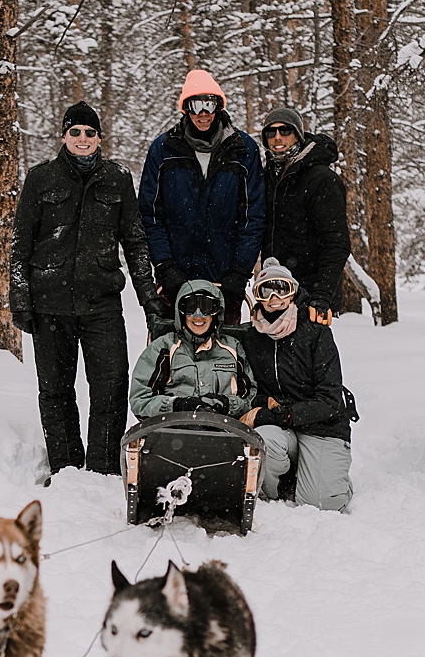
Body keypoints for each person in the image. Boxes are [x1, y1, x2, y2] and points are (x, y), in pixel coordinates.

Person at [9, 101, 165, 477]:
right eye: (75, 132)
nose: (82, 139)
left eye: (89, 133)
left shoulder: (117, 179)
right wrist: (20, 297)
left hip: (102, 303)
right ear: (64, 136)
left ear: (99, 138)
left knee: (111, 387)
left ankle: (102, 468)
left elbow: (136, 242)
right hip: (50, 303)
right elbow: (21, 243)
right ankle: (65, 468)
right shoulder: (41, 178)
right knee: (56, 391)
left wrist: (150, 300)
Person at [138, 68, 265, 327]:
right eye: (196, 105)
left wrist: (240, 271)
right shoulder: (163, 150)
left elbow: (254, 216)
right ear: (186, 108)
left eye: (210, 104)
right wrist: (165, 265)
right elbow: (150, 215)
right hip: (176, 278)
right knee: (172, 354)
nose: (203, 113)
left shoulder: (243, 150)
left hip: (225, 277)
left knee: (225, 355)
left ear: (219, 106)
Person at [241, 258, 353, 511]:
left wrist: (284, 414)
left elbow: (330, 399)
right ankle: (285, 484)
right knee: (262, 442)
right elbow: (247, 388)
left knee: (322, 503)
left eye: (281, 288)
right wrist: (262, 407)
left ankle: (328, 479)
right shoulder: (251, 336)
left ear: (293, 291)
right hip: (281, 429)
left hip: (322, 426)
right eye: (265, 290)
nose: (274, 297)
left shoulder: (315, 331)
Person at [259, 106, 350, 322]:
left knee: (309, 354)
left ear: (298, 135)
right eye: (270, 132)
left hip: (310, 293)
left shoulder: (321, 179)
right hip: (274, 291)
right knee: (271, 356)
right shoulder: (267, 178)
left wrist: (322, 296)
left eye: (285, 130)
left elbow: (336, 243)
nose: (277, 137)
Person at [129, 279, 256, 422]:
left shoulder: (233, 348)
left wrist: (227, 404)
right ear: (181, 312)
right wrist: (177, 405)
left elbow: (251, 397)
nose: (198, 315)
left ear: (216, 313)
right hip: (171, 430)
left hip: (224, 430)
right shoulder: (163, 348)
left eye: (206, 308)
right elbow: (140, 399)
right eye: (190, 307)